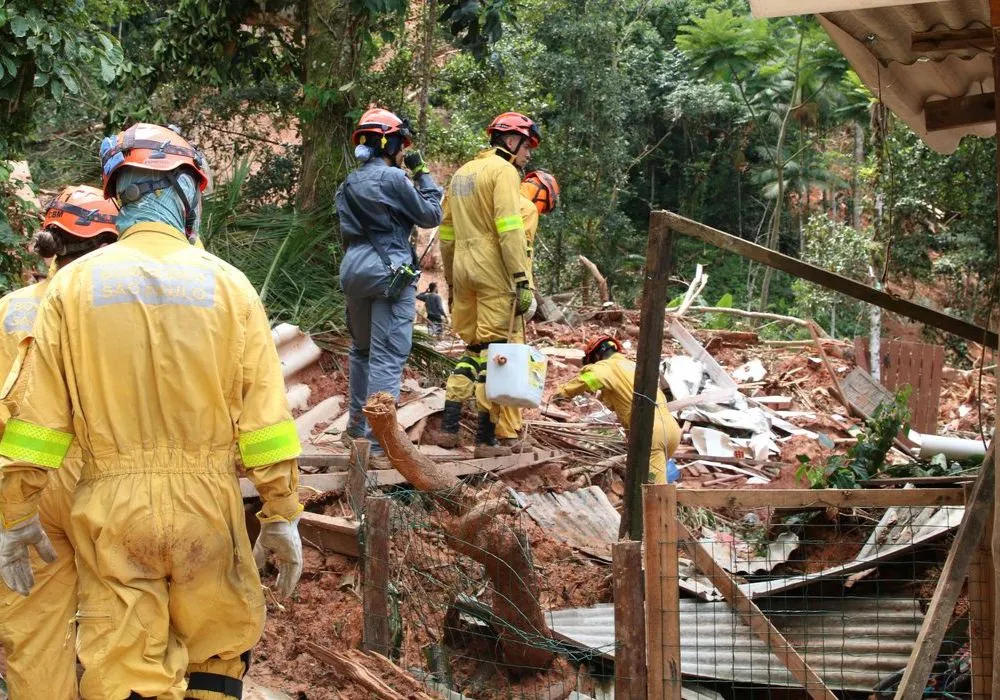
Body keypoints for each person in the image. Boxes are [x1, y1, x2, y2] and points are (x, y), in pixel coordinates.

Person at [0, 122, 304, 700]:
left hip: (111, 510)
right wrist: (281, 511)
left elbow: (38, 424)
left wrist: (16, 514)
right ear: (188, 189)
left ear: (122, 194)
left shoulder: (72, 288)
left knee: (125, 668)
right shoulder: (231, 285)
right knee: (216, 648)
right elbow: (265, 422)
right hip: (208, 509)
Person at [0, 185, 119, 699]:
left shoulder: (10, 310)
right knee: (120, 622)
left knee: (35, 627)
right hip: (110, 483)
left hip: (28, 483)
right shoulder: (124, 311)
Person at [337, 107, 443, 462]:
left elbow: (347, 233)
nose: (402, 152)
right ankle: (377, 441)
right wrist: (422, 173)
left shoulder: (348, 183)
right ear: (389, 141)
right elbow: (431, 214)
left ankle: (355, 430)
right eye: (400, 145)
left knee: (362, 350)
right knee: (387, 355)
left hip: (354, 270)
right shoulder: (395, 179)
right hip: (390, 273)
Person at [438, 112, 540, 458]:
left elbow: (446, 233)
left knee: (472, 351)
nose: (528, 155)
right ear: (512, 140)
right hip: (494, 271)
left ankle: (449, 428)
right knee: (495, 354)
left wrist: (452, 279)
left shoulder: (462, 174)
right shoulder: (505, 172)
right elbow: (509, 229)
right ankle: (485, 438)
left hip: (463, 269)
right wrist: (522, 279)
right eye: (527, 146)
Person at [553, 336, 681, 483]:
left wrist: (562, 393)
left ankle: (658, 504)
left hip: (649, 432)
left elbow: (589, 378)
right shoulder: (634, 366)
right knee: (648, 481)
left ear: (597, 355)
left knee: (654, 493)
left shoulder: (606, 366)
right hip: (671, 429)